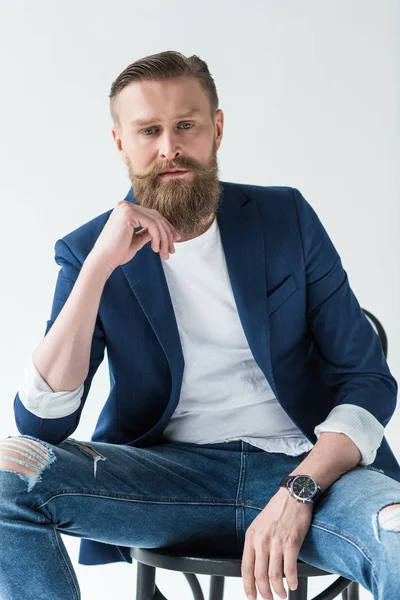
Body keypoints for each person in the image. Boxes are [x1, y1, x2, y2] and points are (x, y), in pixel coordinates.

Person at [1, 50, 399, 600]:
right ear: (121, 143)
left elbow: (368, 380)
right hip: (166, 481)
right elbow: (39, 424)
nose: (170, 147)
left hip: (308, 470)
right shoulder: (88, 251)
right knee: (5, 477)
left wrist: (300, 487)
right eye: (149, 130)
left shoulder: (286, 219)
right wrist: (96, 268)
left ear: (216, 128)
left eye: (186, 125)